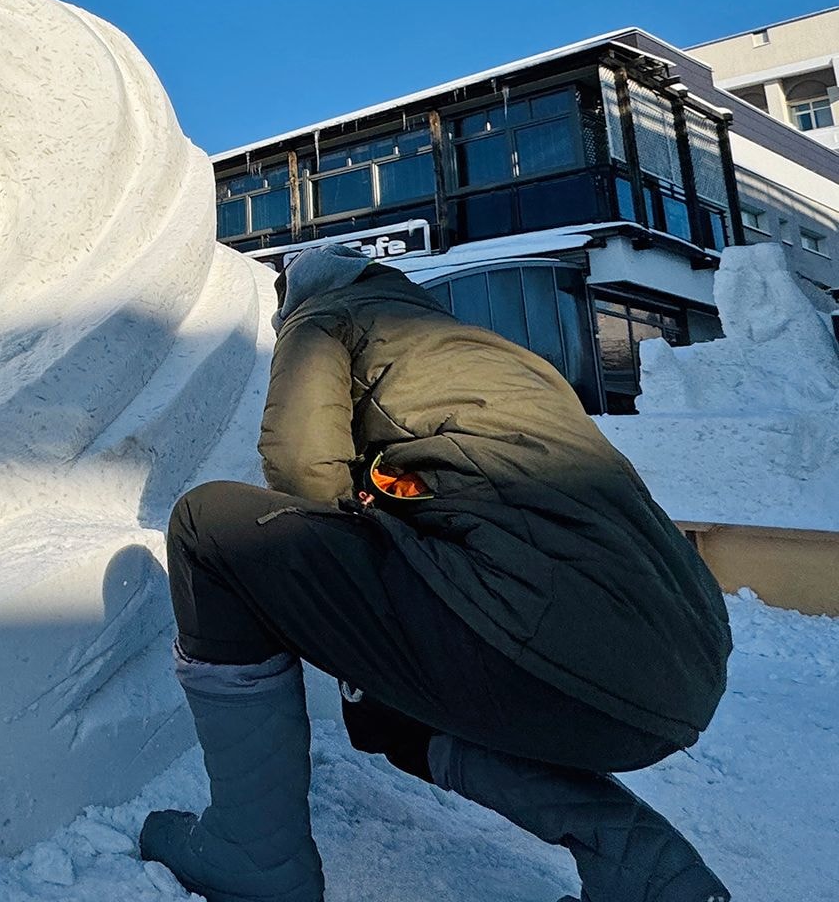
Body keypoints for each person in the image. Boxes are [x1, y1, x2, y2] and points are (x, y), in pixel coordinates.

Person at [139, 244, 732, 902]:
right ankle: (639, 863)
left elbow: (304, 473)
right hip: (677, 671)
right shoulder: (485, 351)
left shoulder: (323, 317)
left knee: (207, 527)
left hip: (541, 639)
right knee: (385, 714)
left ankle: (253, 854)